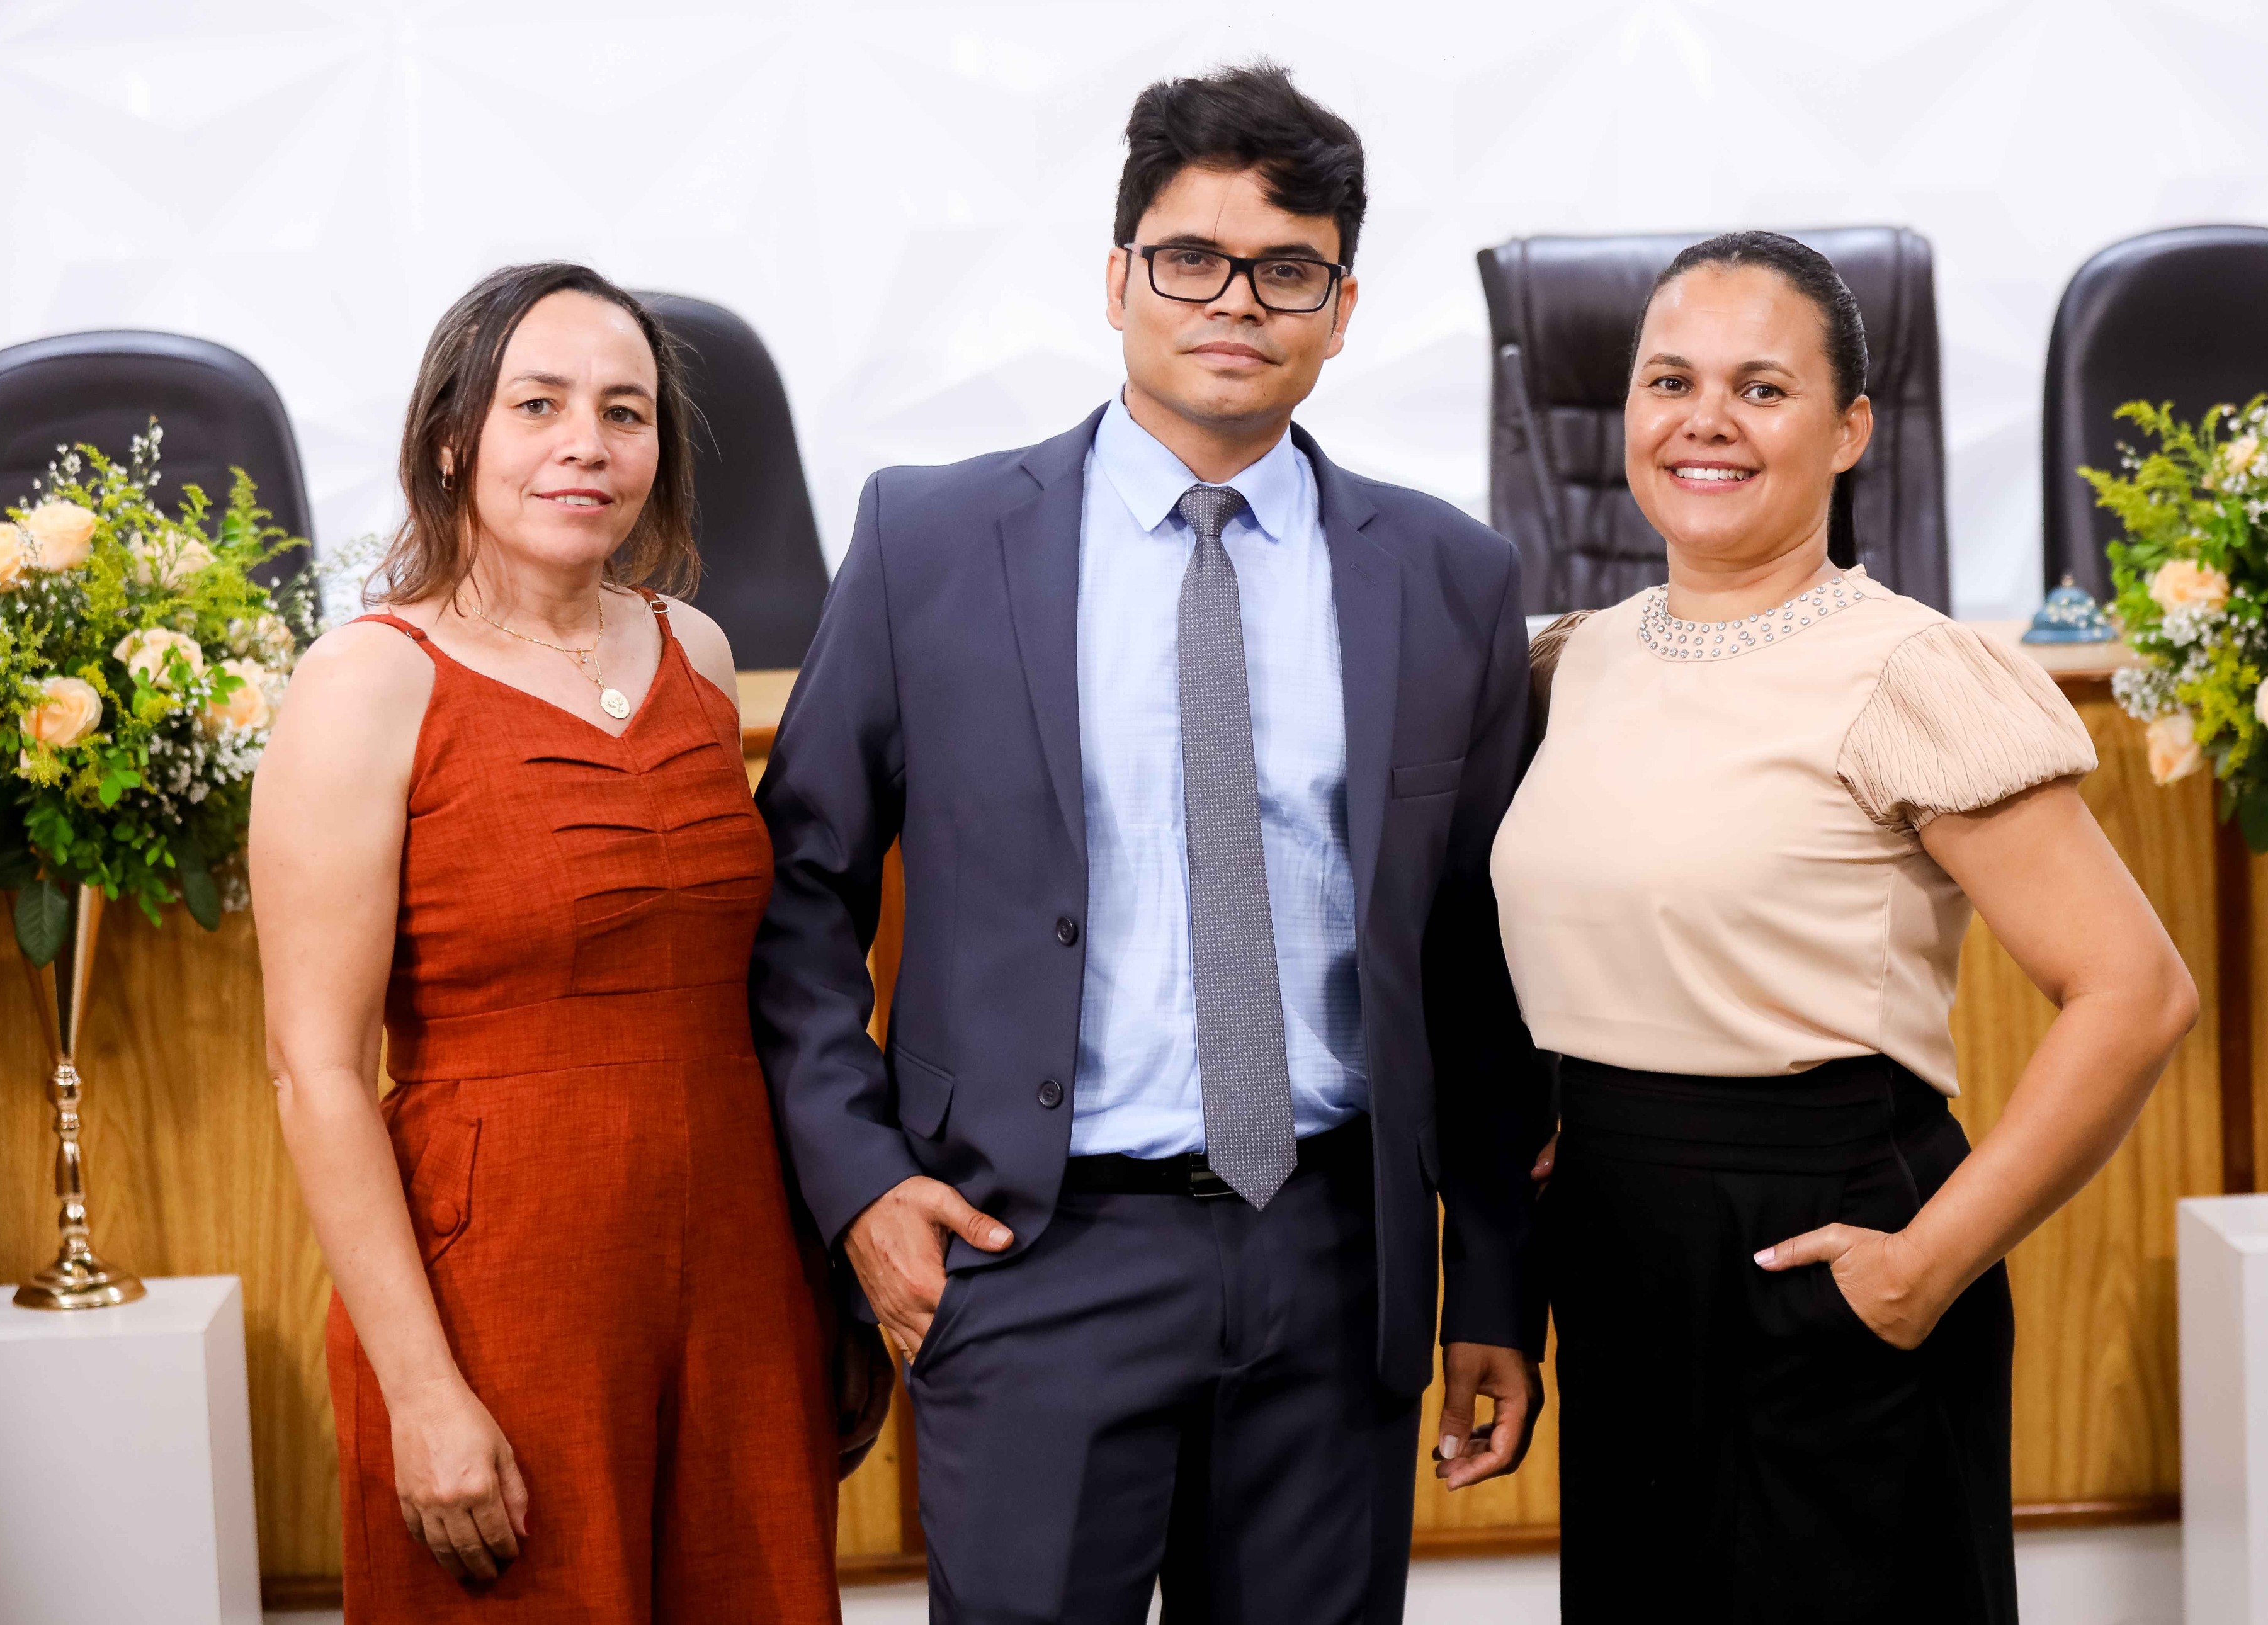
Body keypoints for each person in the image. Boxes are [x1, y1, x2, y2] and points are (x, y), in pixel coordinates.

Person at [752, 62, 1547, 1625]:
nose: (1234, 301)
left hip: (1335, 1259)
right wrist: (862, 1189)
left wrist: (1498, 1282)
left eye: (1287, 270)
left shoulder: (1449, 578)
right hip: (1031, 1250)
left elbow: (1479, 959)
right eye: (1191, 258)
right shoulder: (930, 542)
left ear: (1340, 309)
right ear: (1117, 279)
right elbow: (799, 894)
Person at [1494, 231, 2200, 1624]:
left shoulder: (1906, 669)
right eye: (1669, 381)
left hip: (1824, 1241)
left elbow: (2134, 991)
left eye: (1760, 388)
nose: (1704, 419)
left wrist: (1922, 1268)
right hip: (1620, 1253)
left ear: (1851, 430)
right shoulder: (1567, 660)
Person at [252, 263, 841, 1622]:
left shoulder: (698, 652)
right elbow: (314, 1070)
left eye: (625, 412)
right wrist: (421, 1389)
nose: (589, 442)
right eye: (540, 405)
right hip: (499, 1281)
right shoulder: (367, 680)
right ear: (452, 440)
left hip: (739, 1266)